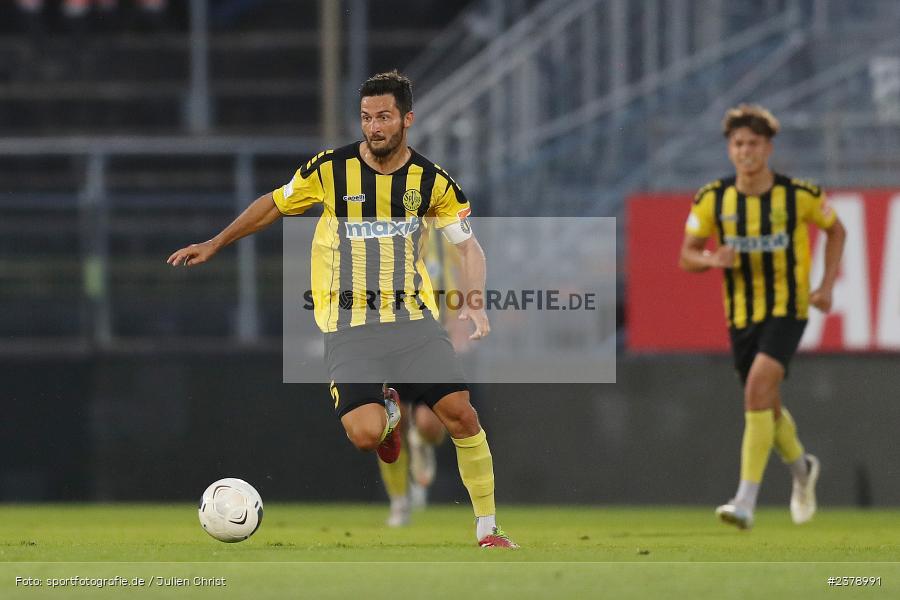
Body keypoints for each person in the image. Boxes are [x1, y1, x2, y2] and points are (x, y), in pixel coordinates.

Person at [167, 70, 518, 549]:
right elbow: (273, 204)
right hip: (349, 325)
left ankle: (488, 529)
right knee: (365, 435)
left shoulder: (432, 182)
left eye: (384, 117)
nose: (374, 127)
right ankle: (389, 417)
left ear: (407, 119)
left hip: (412, 320)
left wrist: (474, 301)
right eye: (366, 117)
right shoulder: (330, 170)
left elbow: (468, 247)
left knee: (460, 415)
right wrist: (216, 242)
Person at [679, 104, 846, 530]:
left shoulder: (800, 195)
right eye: (738, 143)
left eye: (753, 143)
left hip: (788, 308)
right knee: (766, 403)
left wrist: (826, 285)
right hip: (741, 315)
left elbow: (836, 229)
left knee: (756, 389)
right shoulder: (712, 198)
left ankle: (745, 500)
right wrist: (713, 258)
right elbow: (687, 255)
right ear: (729, 149)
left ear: (769, 148)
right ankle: (802, 469)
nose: (745, 151)